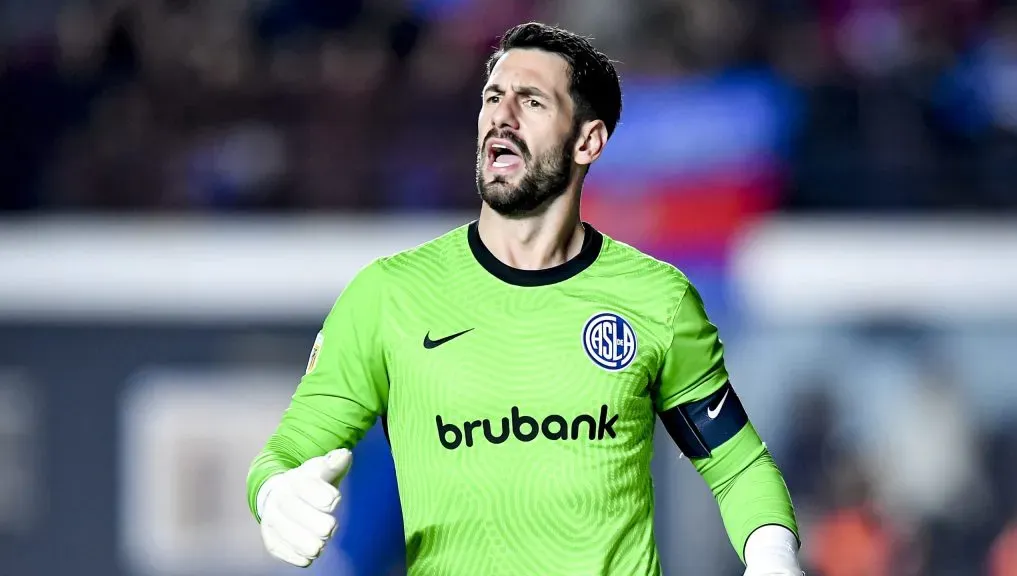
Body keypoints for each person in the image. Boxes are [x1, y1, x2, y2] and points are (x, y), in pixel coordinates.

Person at [247, 22, 802, 576]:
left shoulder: (657, 299)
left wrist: (772, 557)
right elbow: (289, 450)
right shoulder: (388, 294)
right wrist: (274, 494)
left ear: (588, 141)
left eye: (532, 101)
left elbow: (738, 466)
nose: (502, 117)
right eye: (493, 98)